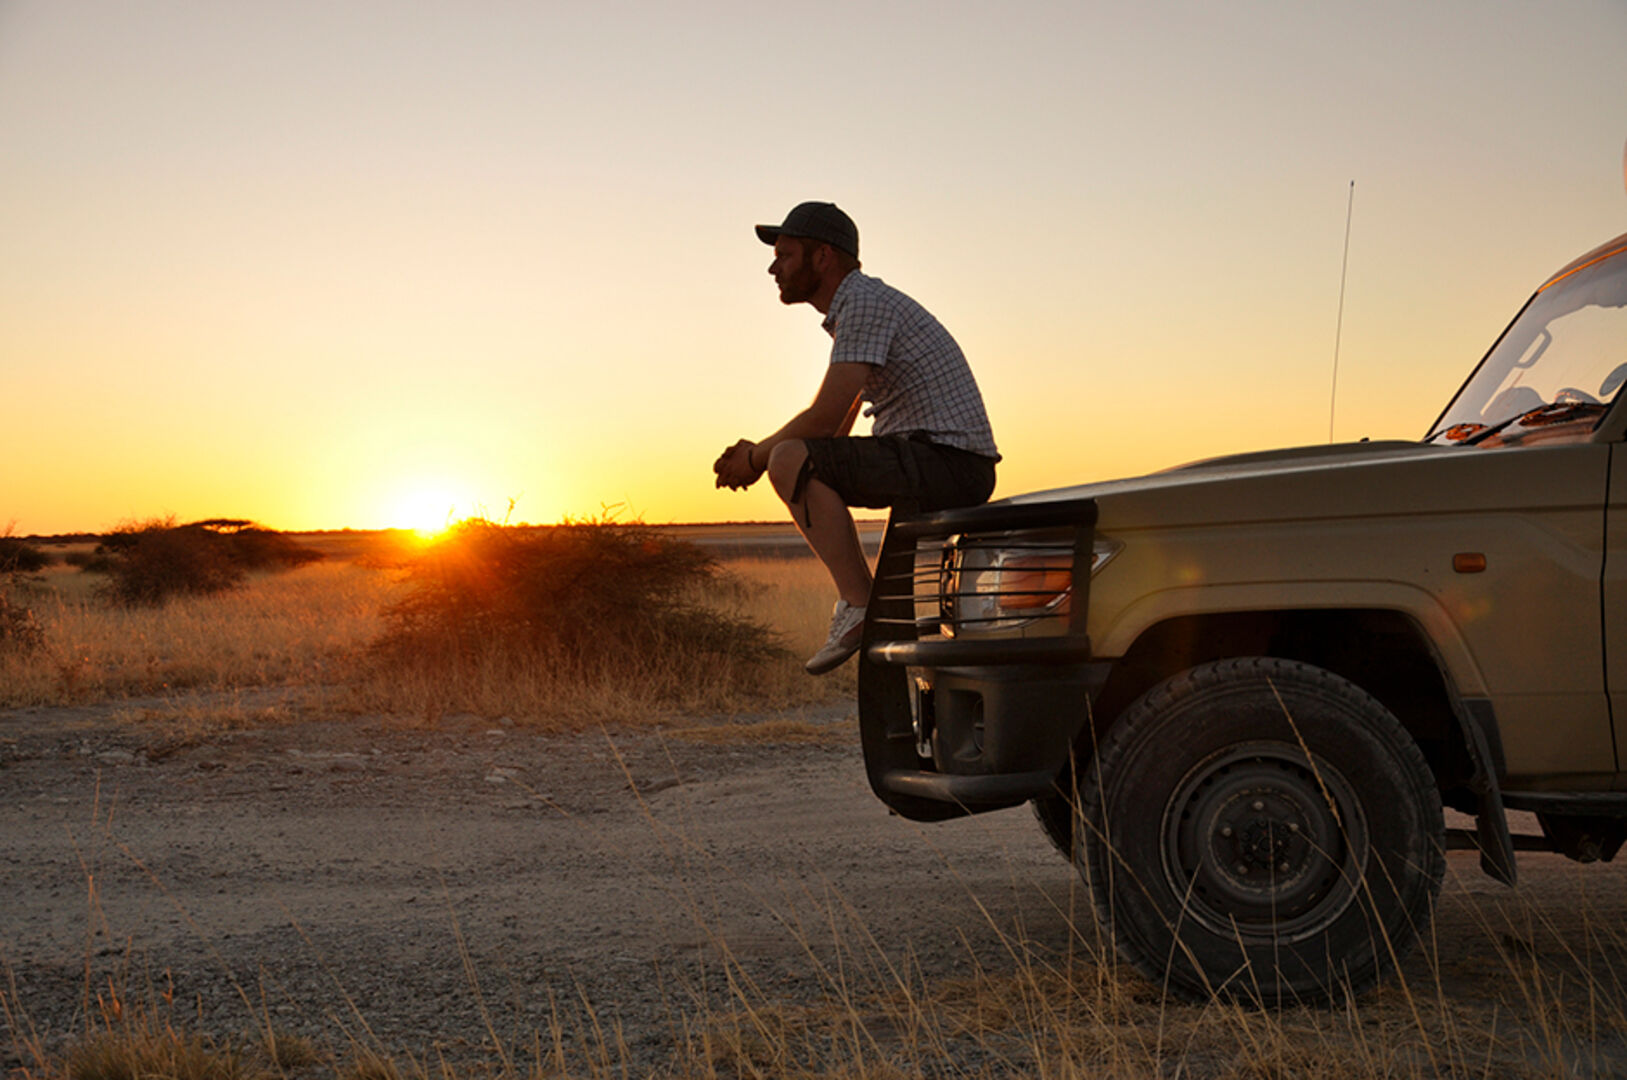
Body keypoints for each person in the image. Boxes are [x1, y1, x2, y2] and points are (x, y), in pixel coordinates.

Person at [714, 201, 1000, 674]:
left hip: (945, 460)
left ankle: (858, 604)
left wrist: (756, 457)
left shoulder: (863, 303)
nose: (773, 268)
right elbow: (842, 416)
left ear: (823, 256)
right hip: (938, 459)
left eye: (785, 255)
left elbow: (824, 418)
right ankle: (873, 617)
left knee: (788, 459)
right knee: (797, 458)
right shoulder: (860, 305)